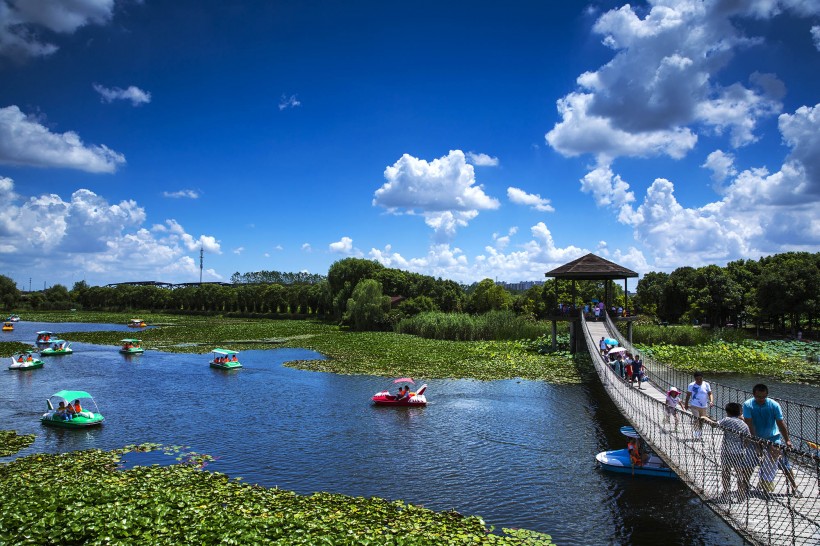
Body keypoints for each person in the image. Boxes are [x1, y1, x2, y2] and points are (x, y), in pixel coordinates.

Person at [742, 384, 801, 496]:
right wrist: (755, 441)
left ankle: (794, 487)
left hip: (773, 438)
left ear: (767, 395)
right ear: (754, 394)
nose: (761, 399)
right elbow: (749, 424)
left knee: (783, 463)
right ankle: (745, 485)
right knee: (749, 462)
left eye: (763, 397)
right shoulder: (748, 404)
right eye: (758, 397)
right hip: (754, 437)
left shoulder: (774, 405)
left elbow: (780, 423)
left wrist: (787, 440)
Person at [701, 402, 755, 500]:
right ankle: (741, 494)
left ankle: (726, 493)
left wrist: (705, 418)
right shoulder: (744, 424)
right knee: (740, 474)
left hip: (727, 452)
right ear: (740, 412)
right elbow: (748, 438)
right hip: (740, 452)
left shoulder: (727, 420)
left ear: (727, 412)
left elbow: (714, 425)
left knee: (726, 472)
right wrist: (743, 447)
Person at [684, 372, 713, 438]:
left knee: (702, 420)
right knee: (696, 419)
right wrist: (686, 404)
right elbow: (688, 395)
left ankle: (700, 432)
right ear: (695, 379)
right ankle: (696, 434)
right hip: (694, 405)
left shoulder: (706, 384)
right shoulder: (691, 385)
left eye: (700, 379)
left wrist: (711, 401)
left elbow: (710, 393)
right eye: (697, 379)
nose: (699, 380)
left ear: (702, 378)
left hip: (703, 406)